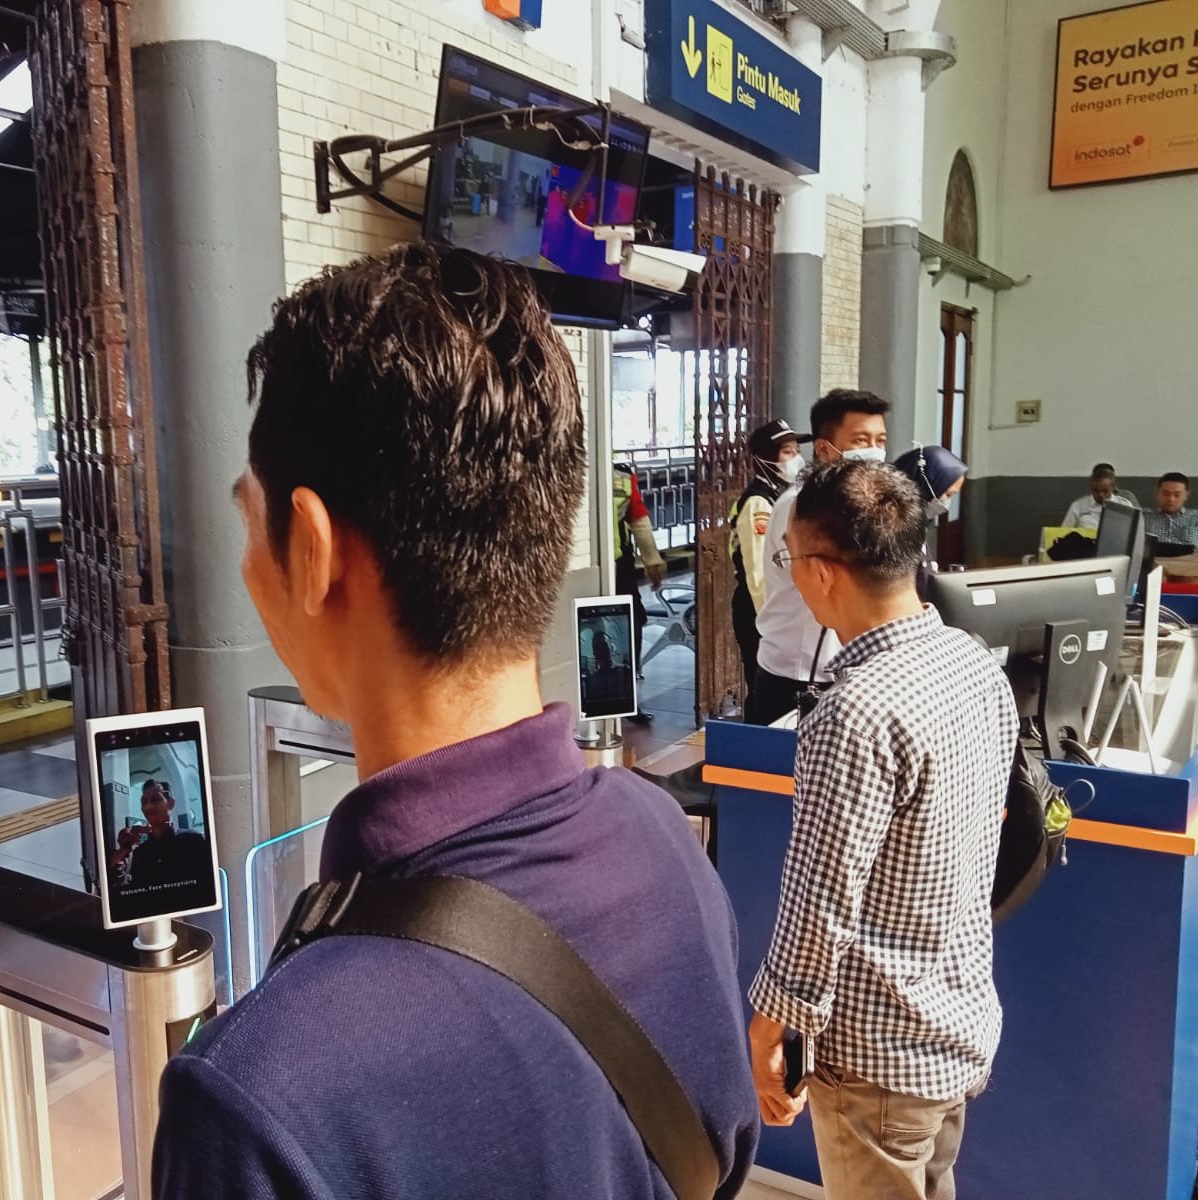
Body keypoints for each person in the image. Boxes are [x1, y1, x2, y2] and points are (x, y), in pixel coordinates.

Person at [154, 244, 759, 1198]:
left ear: (311, 551)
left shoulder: (260, 1094)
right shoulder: (666, 843)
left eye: (249, 523)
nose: (245, 565)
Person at [747, 460, 1018, 1200]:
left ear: (826, 572)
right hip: (951, 1022)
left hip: (878, 1054)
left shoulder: (854, 712)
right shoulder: (973, 662)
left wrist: (770, 1028)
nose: (790, 575)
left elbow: (820, 904)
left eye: (790, 558)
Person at [749, 389, 889, 725]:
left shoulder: (855, 502)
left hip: (844, 671)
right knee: (780, 775)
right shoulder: (801, 506)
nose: (875, 451)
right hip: (797, 675)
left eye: (880, 440)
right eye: (860, 440)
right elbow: (836, 584)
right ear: (825, 449)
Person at [730, 419, 806, 694]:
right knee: (761, 683)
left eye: (796, 450)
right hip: (756, 605)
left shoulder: (778, 495)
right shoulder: (759, 502)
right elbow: (757, 570)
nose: (796, 458)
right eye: (788, 452)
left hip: (771, 606)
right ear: (765, 458)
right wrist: (768, 621)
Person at [613, 460, 666, 723]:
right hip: (587, 564)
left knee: (631, 626)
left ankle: (627, 699)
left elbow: (639, 518)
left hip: (619, 566)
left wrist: (652, 560)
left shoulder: (622, 475)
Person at [110, 780, 209, 892]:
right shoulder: (140, 854)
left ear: (171, 803)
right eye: (143, 802)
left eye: (156, 799)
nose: (148, 806)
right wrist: (125, 849)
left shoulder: (194, 841)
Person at [893, 445, 968, 566]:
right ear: (926, 486)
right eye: (947, 494)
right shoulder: (888, 527)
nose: (946, 503)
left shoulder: (917, 524)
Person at [1147, 471, 1198, 582]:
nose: (1171, 499)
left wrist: (1178, 567)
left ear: (1186, 495)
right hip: (1155, 570)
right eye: (1166, 494)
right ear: (1157, 493)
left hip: (1189, 569)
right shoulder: (1144, 517)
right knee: (1145, 566)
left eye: (1177, 495)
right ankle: (1162, 569)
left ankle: (1162, 567)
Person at [1062, 463, 1135, 531]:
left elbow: (1135, 532)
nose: (1101, 495)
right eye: (1096, 491)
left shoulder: (1125, 505)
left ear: (1113, 487)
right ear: (1091, 488)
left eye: (1105, 491)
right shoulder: (1078, 507)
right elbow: (1063, 533)